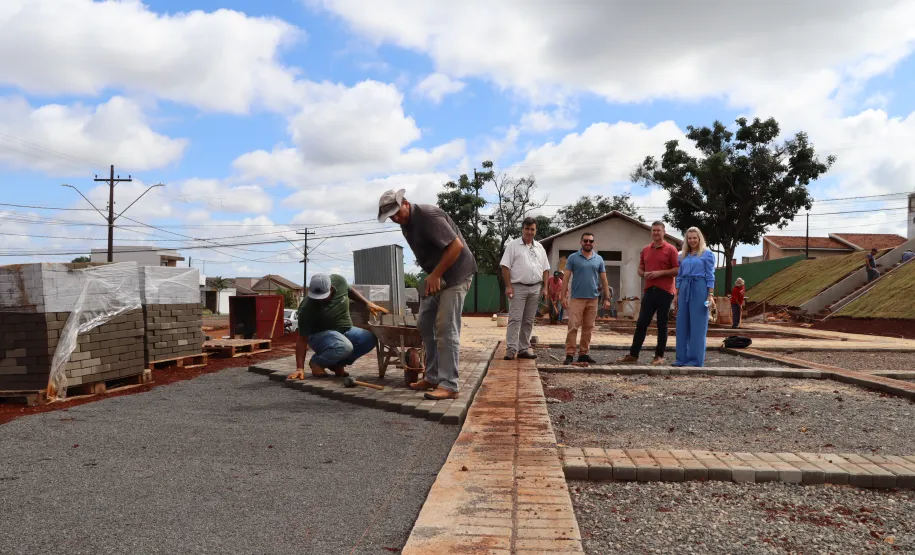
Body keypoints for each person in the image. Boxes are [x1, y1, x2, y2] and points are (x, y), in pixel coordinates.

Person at [378, 189, 476, 400]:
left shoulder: (428, 216)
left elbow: (456, 246)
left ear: (405, 203)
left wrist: (436, 275)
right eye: (391, 217)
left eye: (397, 213)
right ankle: (433, 377)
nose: (396, 218)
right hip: (437, 276)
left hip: (456, 274)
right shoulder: (406, 224)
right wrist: (434, 276)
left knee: (446, 328)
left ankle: (450, 385)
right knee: (425, 322)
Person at [289, 273, 387, 380]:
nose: (319, 300)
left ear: (331, 288)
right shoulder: (306, 308)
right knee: (344, 346)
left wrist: (367, 304)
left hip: (344, 330)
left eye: (323, 297)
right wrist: (299, 368)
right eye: (316, 297)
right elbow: (302, 340)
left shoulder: (339, 281)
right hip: (319, 336)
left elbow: (349, 290)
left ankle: (336, 364)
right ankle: (317, 362)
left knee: (369, 339)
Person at [617, 221, 680, 366]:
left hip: (665, 291)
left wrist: (660, 273)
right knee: (641, 323)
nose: (656, 233)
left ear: (664, 232)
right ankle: (633, 355)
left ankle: (659, 356)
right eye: (653, 230)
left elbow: (677, 270)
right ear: (651, 232)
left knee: (662, 324)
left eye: (658, 230)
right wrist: (643, 274)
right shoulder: (646, 250)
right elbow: (640, 268)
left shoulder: (671, 249)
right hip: (649, 290)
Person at [500, 217, 550, 360]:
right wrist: (508, 286)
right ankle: (511, 350)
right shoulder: (513, 246)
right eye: (527, 229)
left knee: (528, 320)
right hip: (518, 288)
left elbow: (545, 269)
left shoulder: (540, 247)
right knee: (515, 319)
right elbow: (505, 266)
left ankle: (523, 349)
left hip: (535, 288)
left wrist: (545, 288)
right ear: (522, 229)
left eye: (532, 229)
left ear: (535, 230)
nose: (529, 232)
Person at [562, 232, 612, 365]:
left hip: (593, 299)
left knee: (588, 327)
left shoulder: (598, 259)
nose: (588, 243)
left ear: (594, 243)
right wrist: (563, 297)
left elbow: (604, 280)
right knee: (573, 326)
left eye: (590, 241)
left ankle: (583, 354)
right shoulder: (573, 258)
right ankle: (570, 354)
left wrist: (607, 298)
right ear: (581, 242)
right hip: (577, 298)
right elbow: (566, 278)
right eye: (585, 241)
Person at [673, 227, 716, 367]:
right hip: (684, 287)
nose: (692, 240)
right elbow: (679, 276)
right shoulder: (682, 256)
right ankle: (681, 359)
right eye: (689, 238)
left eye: (694, 238)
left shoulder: (707, 254)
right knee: (682, 324)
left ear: (699, 239)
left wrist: (710, 295)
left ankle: (695, 360)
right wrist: (676, 294)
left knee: (698, 325)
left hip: (700, 287)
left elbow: (710, 276)